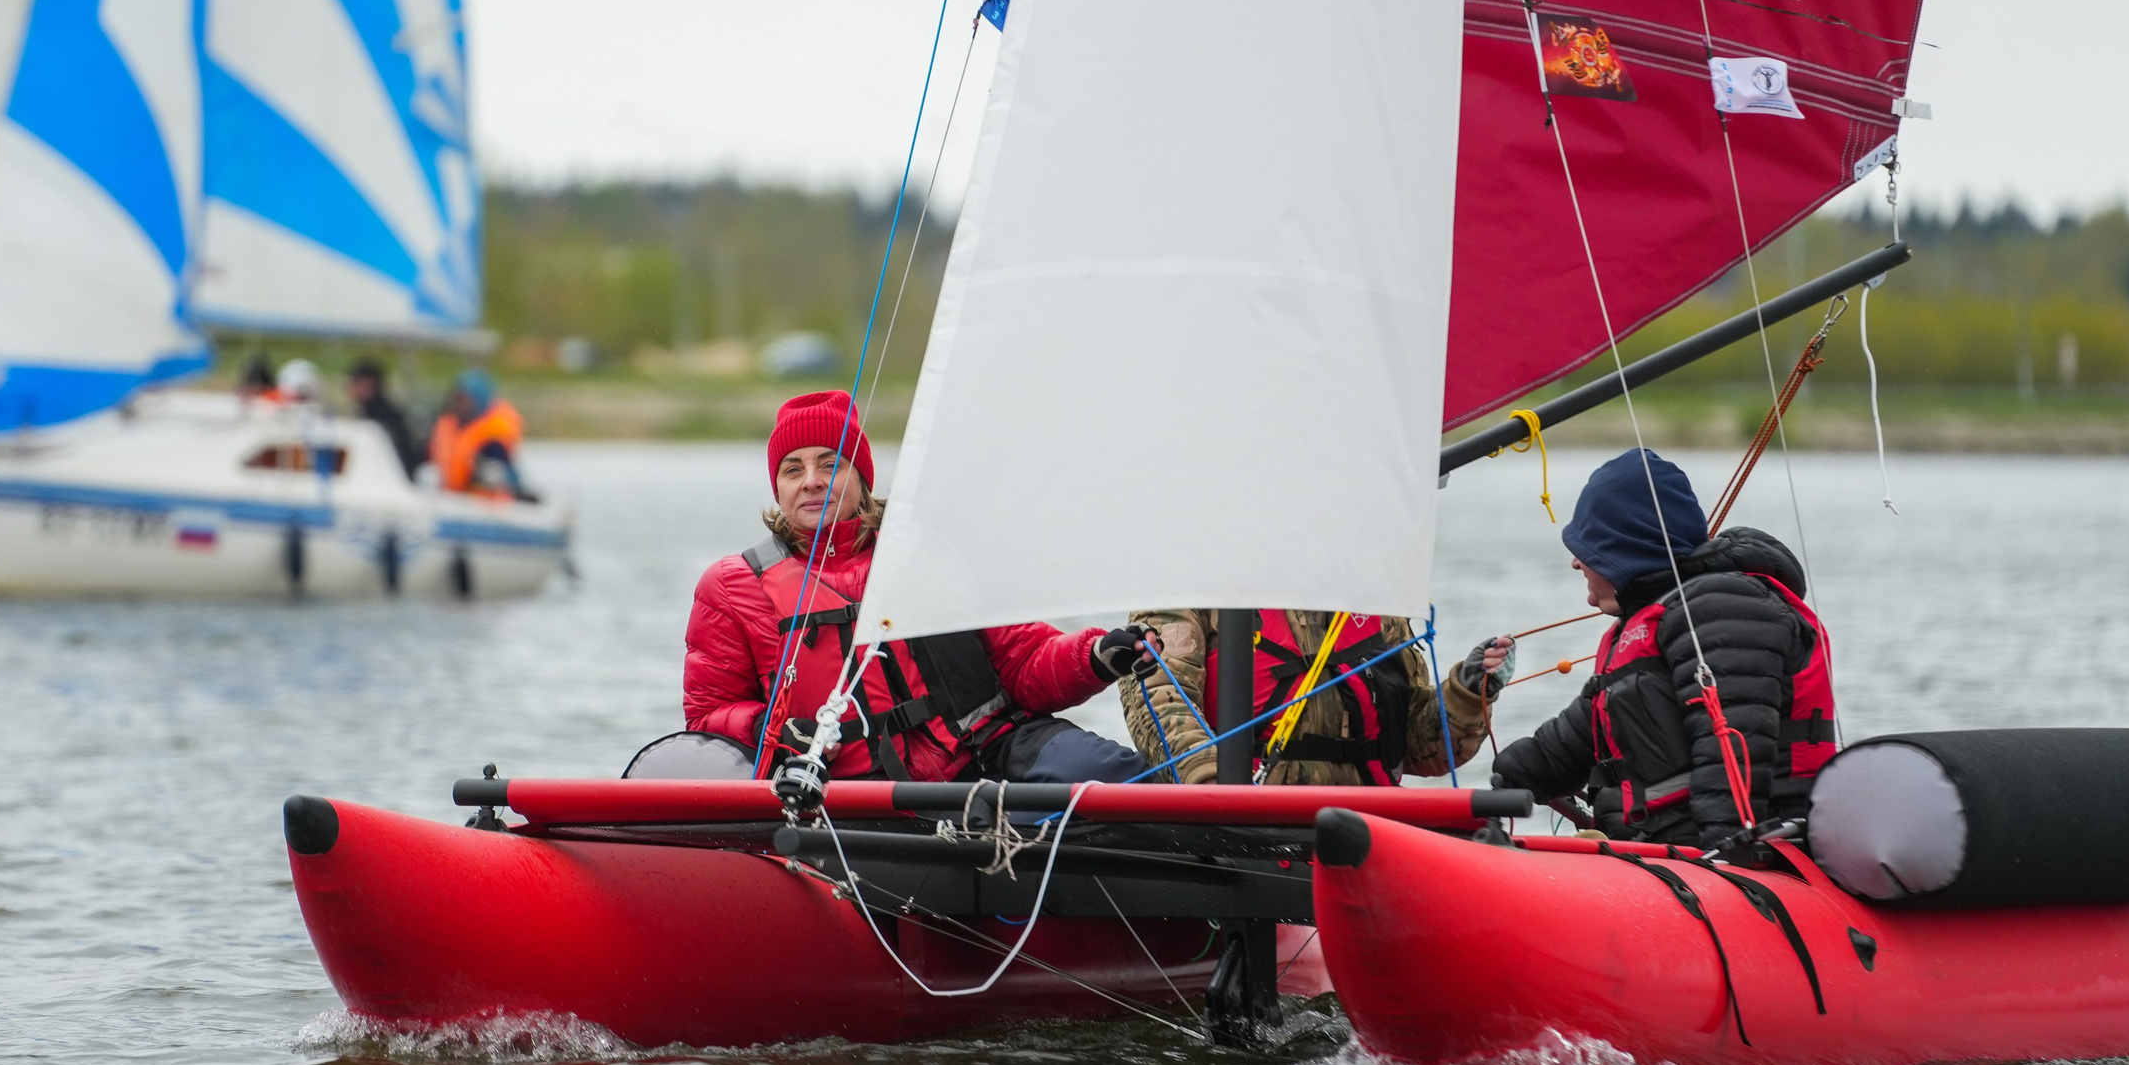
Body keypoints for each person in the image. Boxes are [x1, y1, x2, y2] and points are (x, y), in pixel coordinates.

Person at [683, 390, 1160, 784]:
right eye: (794, 469)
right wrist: (770, 729)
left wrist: (1096, 656)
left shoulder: (936, 554)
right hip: (842, 793)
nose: (812, 482)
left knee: (1110, 773)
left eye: (831, 465)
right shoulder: (731, 586)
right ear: (778, 488)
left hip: (987, 755)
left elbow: (1024, 660)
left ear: (861, 478)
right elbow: (707, 719)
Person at [1490, 448, 1837, 849]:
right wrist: (1509, 778)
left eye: (1587, 547)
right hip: (1658, 852)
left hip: (1734, 857)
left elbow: (1733, 748)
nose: (1575, 563)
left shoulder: (1722, 607)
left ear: (1625, 548)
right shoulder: (1648, 625)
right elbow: (1575, 738)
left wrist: (1726, 858)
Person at [1120, 607, 1507, 785]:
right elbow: (1159, 697)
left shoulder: (1373, 600)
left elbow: (1418, 750)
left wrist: (1466, 695)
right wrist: (1210, 787)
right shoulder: (1192, 593)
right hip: (1250, 828)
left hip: (1367, 833)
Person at [430, 370, 526, 498]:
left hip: (485, 501)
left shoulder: (493, 439)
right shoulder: (448, 427)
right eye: (457, 400)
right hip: (453, 497)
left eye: (465, 401)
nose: (460, 406)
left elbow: (497, 473)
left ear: (479, 401)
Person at [347, 357, 426, 477]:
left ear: (371, 383)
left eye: (356, 381)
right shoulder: (379, 412)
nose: (351, 386)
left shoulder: (382, 418)